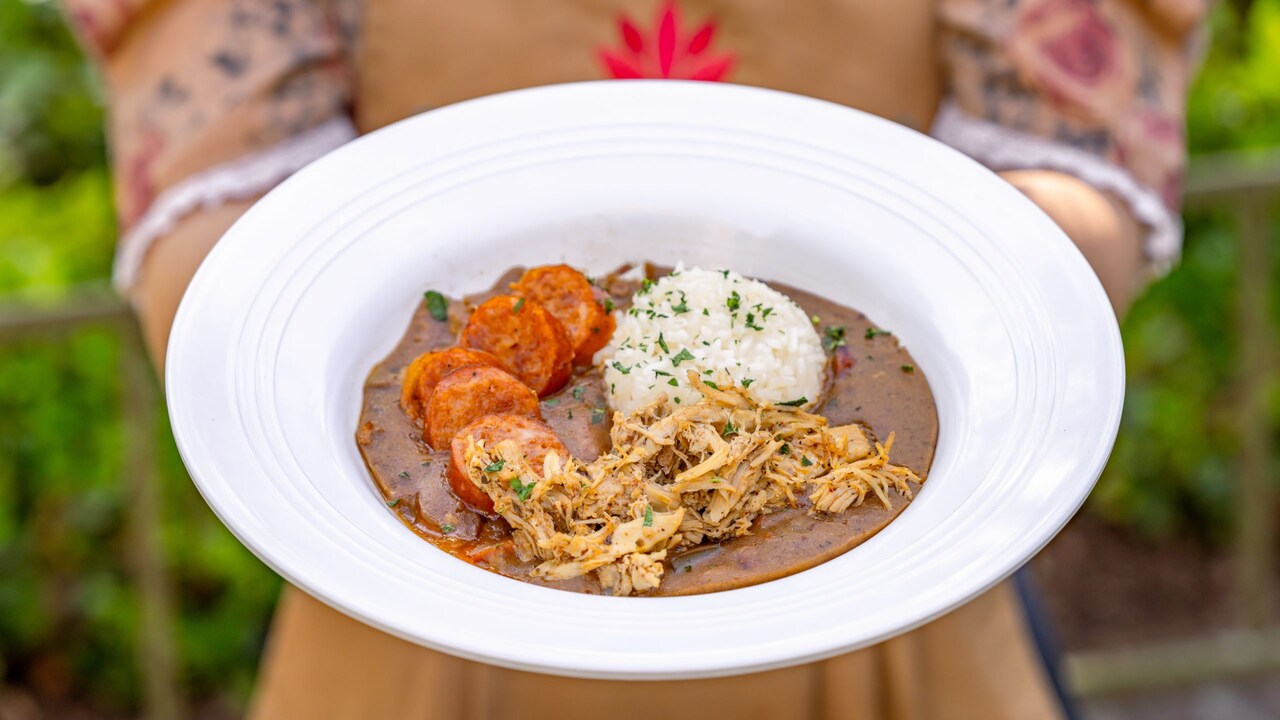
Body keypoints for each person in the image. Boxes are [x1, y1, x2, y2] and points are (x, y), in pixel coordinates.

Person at [65, 0, 1205, 717]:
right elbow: (215, 220)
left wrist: (982, 297)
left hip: (900, 639)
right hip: (413, 644)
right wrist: (287, 329)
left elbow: (1066, 175)